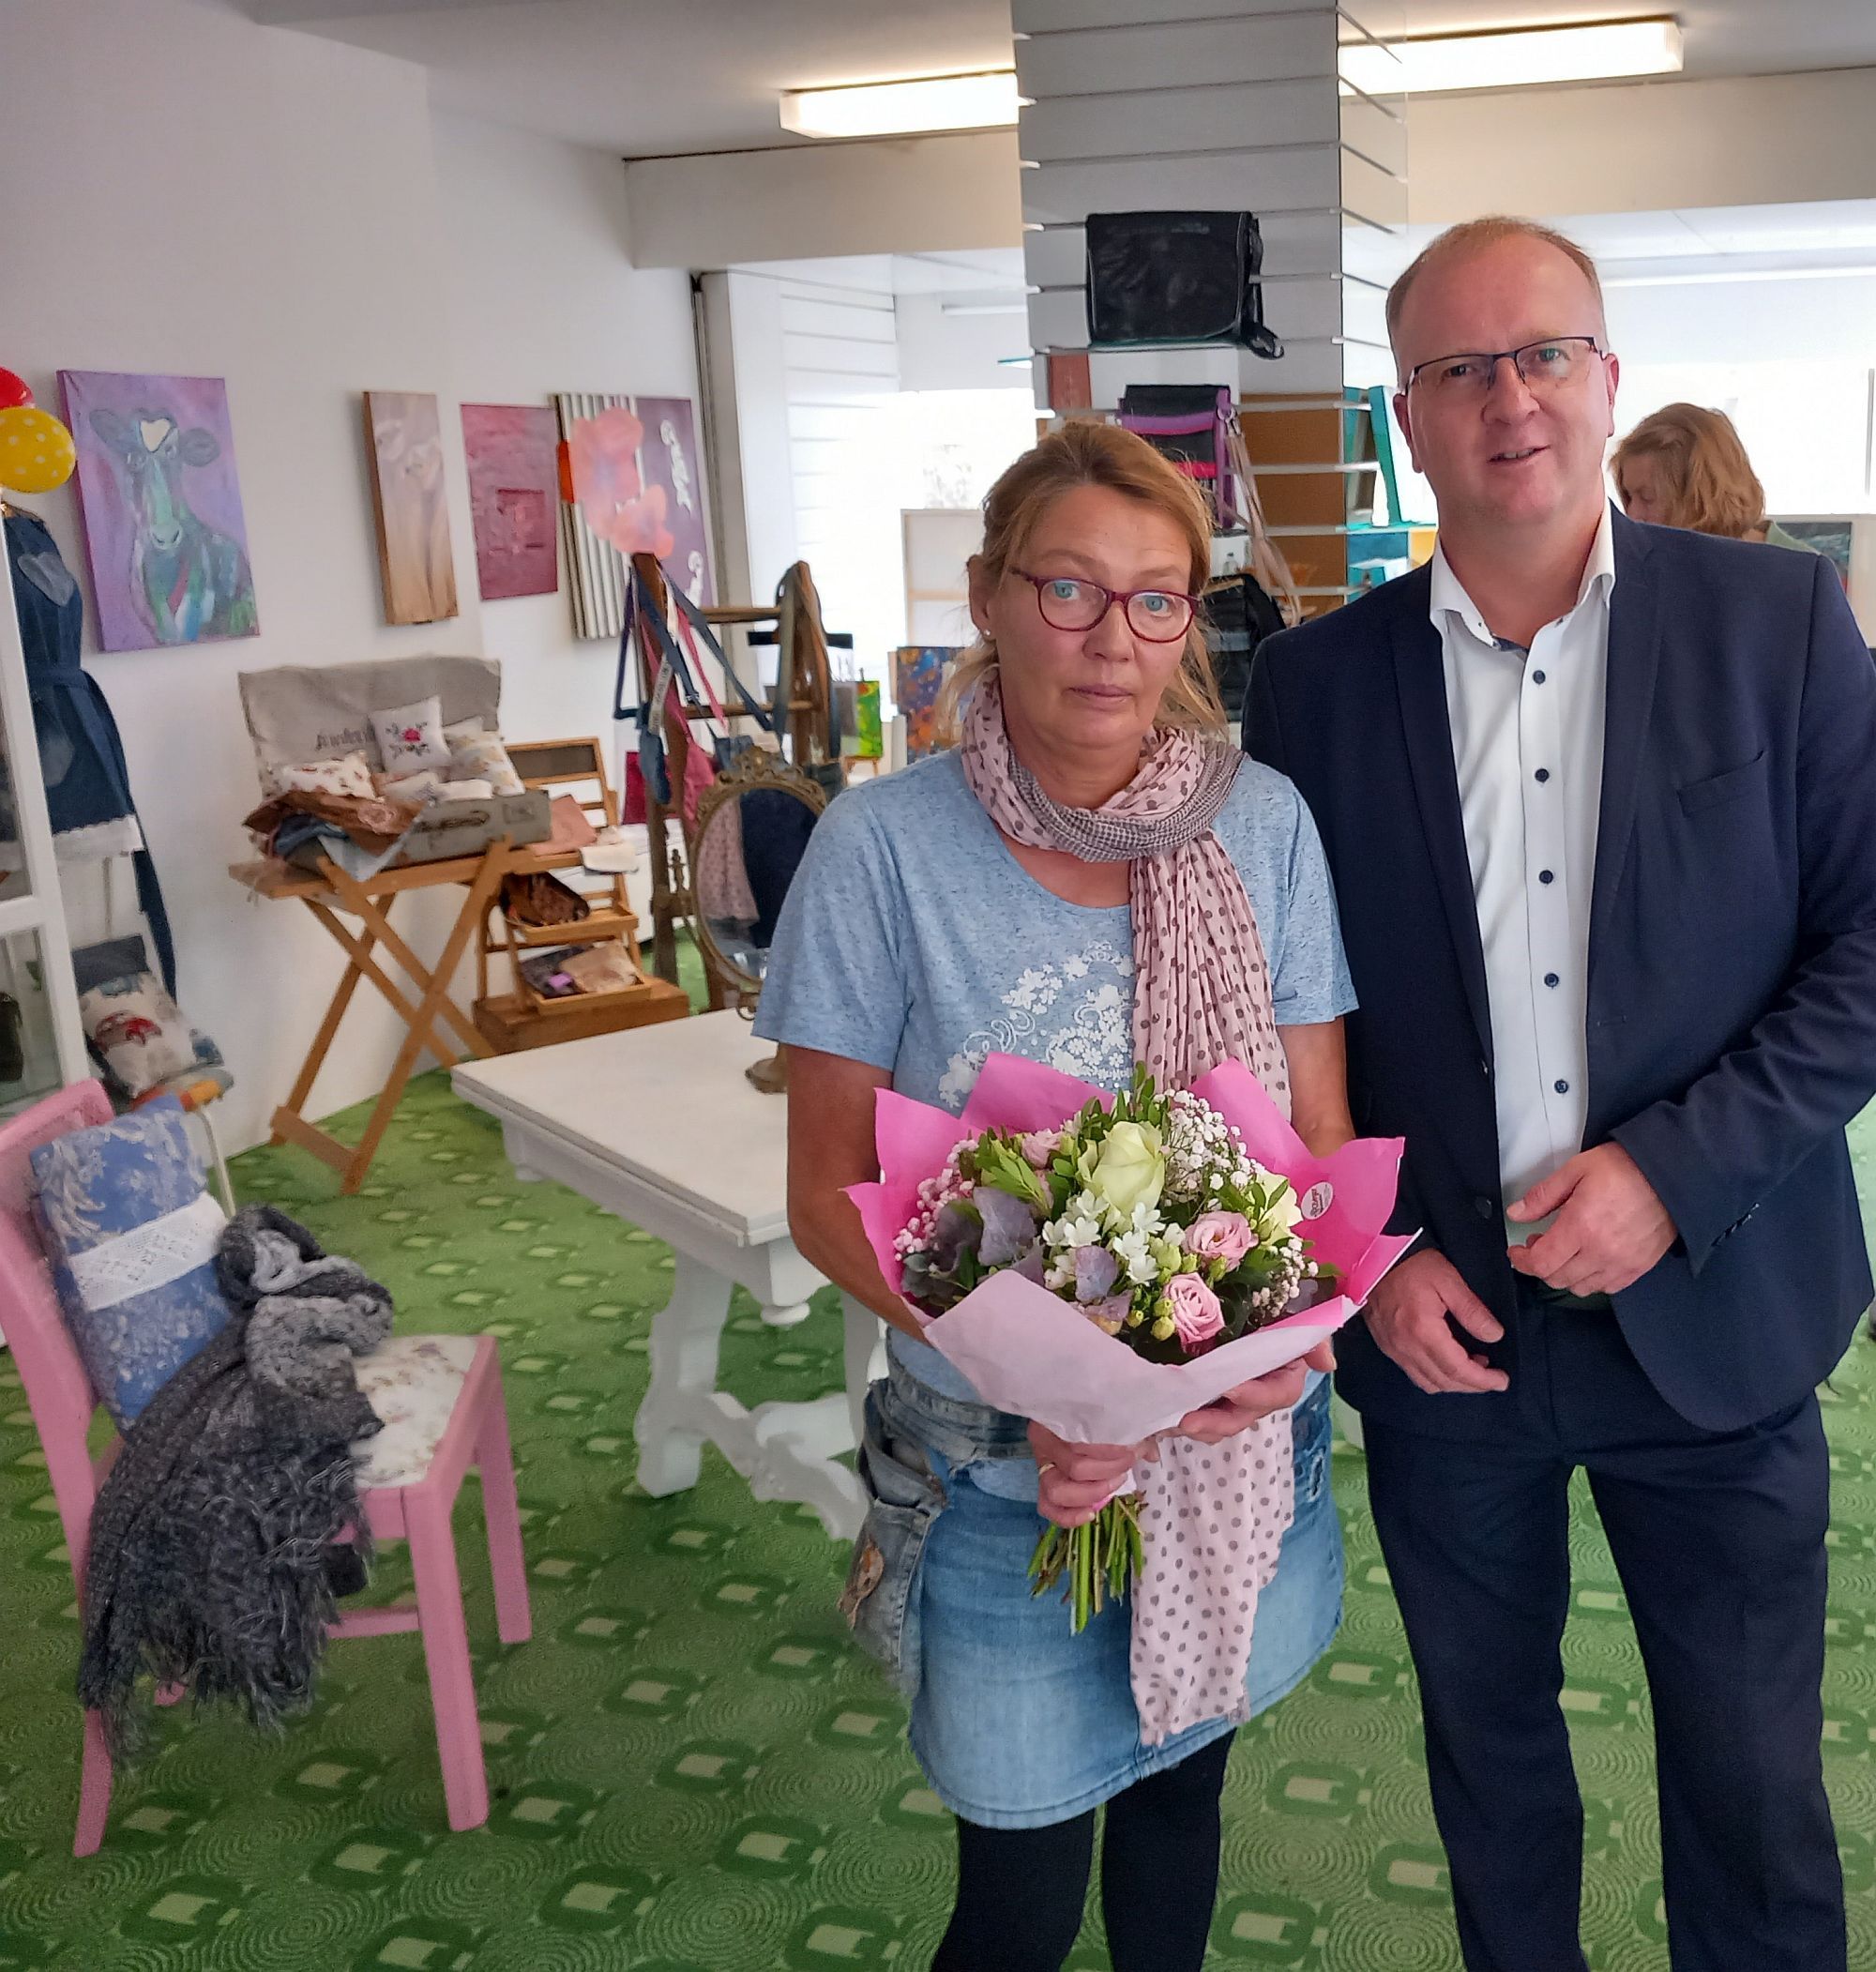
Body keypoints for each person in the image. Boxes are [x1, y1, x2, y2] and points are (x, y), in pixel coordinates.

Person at [1245, 215, 1876, 1972]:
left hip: (1719, 1309)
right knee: (1493, 1774)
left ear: (1607, 378)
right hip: (1447, 1333)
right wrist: (1367, 1259)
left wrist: (1672, 1173)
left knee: (1752, 1792)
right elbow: (1286, 1021)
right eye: (1458, 368)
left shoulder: (1781, 624)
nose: (1507, 398)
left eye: (1542, 354)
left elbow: (1865, 953)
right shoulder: (1314, 688)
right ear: (1408, 418)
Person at [758, 421, 1356, 1972]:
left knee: (1181, 1811)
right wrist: (1058, 1390)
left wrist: (1265, 1354)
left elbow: (1315, 1145)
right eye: (1070, 587)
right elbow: (827, 1192)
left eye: (1158, 599)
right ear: (990, 593)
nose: (1114, 638)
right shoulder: (883, 848)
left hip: (1233, 1450)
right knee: (1017, 1897)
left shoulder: (1264, 825)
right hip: (1000, 1471)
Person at [1611, 399, 1815, 549]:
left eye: (1647, 498)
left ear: (1699, 498)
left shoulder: (1800, 576)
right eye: (1628, 497)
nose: (1632, 515)